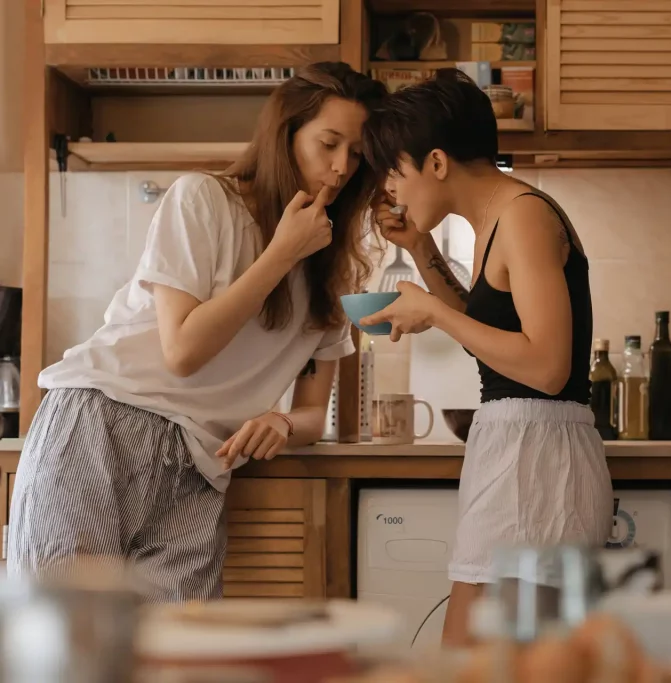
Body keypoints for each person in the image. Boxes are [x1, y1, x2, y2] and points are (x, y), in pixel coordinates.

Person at [7, 62, 387, 601]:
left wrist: (281, 421)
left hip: (200, 465)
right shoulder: (204, 200)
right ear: (286, 136)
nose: (341, 166)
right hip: (100, 428)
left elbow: (310, 410)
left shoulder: (332, 269)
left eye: (357, 153)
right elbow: (183, 350)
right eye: (328, 143)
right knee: (70, 643)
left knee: (181, 655)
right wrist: (280, 253)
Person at [362, 69, 614, 646]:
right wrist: (422, 251)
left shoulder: (523, 216)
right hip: (519, 453)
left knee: (483, 661)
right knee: (481, 660)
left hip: (540, 461)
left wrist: (433, 312)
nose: (390, 190)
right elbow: (488, 328)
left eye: (394, 172)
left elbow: (547, 368)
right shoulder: (495, 220)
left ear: (437, 162)